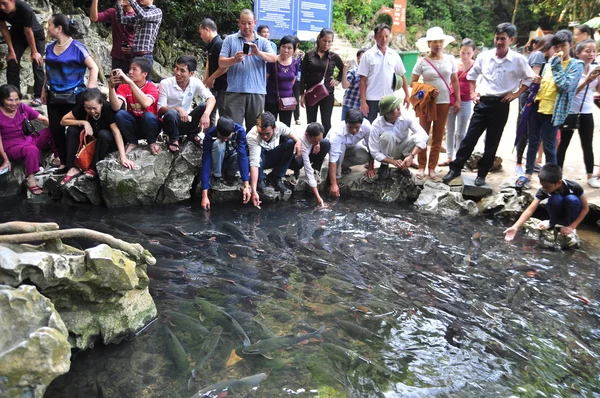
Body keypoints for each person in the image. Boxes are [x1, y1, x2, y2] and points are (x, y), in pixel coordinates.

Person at [442, 23, 535, 187]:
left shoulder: (518, 60)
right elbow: (472, 75)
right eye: (497, 38)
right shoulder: (485, 56)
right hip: (482, 102)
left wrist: (516, 94)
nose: (499, 42)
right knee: (469, 137)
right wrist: (473, 92)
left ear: (511, 40)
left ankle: (482, 174)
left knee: (492, 141)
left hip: (501, 103)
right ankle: (455, 168)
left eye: (503, 39)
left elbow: (529, 78)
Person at [515, 30, 583, 189]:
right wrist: (537, 82)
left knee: (549, 145)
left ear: (571, 45)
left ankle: (553, 180)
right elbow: (545, 85)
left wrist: (557, 64)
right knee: (533, 142)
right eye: (557, 46)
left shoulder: (576, 65)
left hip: (554, 111)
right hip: (537, 107)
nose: (559, 49)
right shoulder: (549, 63)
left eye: (563, 46)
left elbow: (565, 86)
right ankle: (528, 173)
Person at [42, 14, 99, 174]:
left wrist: (90, 90)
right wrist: (43, 90)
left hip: (75, 96)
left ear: (59, 28)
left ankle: (77, 162)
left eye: (50, 25)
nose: (48, 28)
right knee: (55, 128)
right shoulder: (49, 47)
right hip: (53, 95)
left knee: (74, 130)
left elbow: (94, 68)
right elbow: (48, 70)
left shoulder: (77, 48)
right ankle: (64, 162)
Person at [411, 27, 460, 181]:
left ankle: (432, 168)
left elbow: (454, 80)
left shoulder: (450, 60)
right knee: (423, 135)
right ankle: (421, 166)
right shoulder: (422, 62)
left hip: (444, 102)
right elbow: (412, 82)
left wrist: (457, 99)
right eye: (434, 42)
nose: (437, 44)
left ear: (443, 42)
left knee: (438, 136)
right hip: (427, 102)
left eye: (440, 41)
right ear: (429, 43)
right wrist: (428, 89)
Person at [59, 88, 136, 185]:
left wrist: (123, 157)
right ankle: (72, 167)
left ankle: (93, 168)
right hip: (93, 140)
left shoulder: (107, 108)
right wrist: (84, 122)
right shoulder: (83, 108)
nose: (91, 111)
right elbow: (63, 121)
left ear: (101, 103)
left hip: (108, 141)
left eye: (95, 108)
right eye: (88, 108)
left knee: (103, 134)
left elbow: (116, 132)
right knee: (72, 130)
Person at [219, 9, 277, 131]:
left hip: (257, 91)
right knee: (233, 129)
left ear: (255, 23)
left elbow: (273, 58)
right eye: (243, 23)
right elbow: (221, 62)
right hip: (235, 91)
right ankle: (234, 150)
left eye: (249, 23)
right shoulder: (230, 39)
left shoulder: (263, 42)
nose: (246, 26)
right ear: (239, 23)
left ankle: (252, 151)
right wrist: (234, 59)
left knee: (255, 130)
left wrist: (258, 53)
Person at [504, 164, 588, 247]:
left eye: (547, 186)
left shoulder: (574, 187)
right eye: (542, 186)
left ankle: (567, 225)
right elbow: (530, 209)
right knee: (555, 199)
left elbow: (585, 209)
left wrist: (572, 226)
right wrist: (515, 227)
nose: (544, 189)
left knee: (572, 199)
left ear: (558, 183)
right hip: (557, 211)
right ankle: (552, 222)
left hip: (571, 212)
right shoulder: (544, 190)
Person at [557, 40, 600, 187]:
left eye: (594, 51)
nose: (591, 54)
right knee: (563, 144)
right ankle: (558, 176)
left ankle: (590, 176)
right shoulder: (572, 69)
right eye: (587, 51)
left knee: (587, 144)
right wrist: (587, 81)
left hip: (587, 112)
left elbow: (599, 90)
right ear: (578, 53)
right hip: (570, 111)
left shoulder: (596, 69)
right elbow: (569, 93)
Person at [0, 84, 54, 194]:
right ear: (2, 99)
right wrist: (5, 160)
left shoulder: (22, 108)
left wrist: (54, 126)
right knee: (31, 150)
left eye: (17, 99)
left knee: (55, 130)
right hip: (12, 147)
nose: (14, 103)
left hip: (30, 139)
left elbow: (42, 119)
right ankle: (31, 179)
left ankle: (58, 159)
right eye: (10, 100)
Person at [157, 55, 215, 153]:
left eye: (182, 71)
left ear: (191, 73)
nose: (177, 73)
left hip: (186, 120)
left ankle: (192, 134)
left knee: (204, 106)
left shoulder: (195, 82)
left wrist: (206, 115)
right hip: (170, 122)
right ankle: (173, 139)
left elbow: (211, 98)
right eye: (176, 68)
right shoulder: (166, 83)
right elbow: (160, 109)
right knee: (172, 113)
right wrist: (178, 109)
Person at [514, 34, 554, 176]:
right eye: (554, 47)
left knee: (531, 132)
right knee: (525, 129)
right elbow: (535, 78)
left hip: (533, 97)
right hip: (530, 96)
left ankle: (528, 163)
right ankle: (519, 163)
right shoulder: (538, 56)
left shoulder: (540, 56)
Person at [247, 112, 302, 206]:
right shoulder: (252, 137)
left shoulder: (279, 126)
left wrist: (298, 142)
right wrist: (254, 190)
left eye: (267, 134)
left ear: (274, 128)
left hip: (272, 155)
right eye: (261, 133)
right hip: (260, 159)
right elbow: (254, 164)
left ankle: (276, 176)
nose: (264, 137)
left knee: (291, 143)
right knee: (255, 155)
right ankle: (260, 180)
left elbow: (290, 132)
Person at [108, 56, 161, 155]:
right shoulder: (124, 86)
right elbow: (116, 107)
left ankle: (152, 142)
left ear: (144, 74)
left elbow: (146, 103)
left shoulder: (151, 87)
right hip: (135, 124)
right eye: (130, 69)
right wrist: (111, 87)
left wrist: (130, 82)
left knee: (148, 116)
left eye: (134, 70)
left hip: (150, 126)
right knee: (120, 114)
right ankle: (132, 141)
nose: (130, 72)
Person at [358, 24, 410, 123]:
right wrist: (363, 102)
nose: (384, 39)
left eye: (386, 36)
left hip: (389, 99)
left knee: (389, 126)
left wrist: (407, 95)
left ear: (390, 37)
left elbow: (402, 76)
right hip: (371, 99)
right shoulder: (367, 55)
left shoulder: (394, 54)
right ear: (375, 37)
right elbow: (362, 80)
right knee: (370, 128)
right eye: (380, 36)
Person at [368, 94, 428, 179]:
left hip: (403, 150)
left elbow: (424, 135)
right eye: (394, 108)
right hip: (387, 153)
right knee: (388, 135)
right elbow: (374, 151)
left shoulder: (406, 117)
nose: (399, 109)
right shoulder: (377, 125)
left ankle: (404, 164)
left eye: (398, 106)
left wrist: (412, 156)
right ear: (386, 113)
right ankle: (384, 166)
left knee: (416, 138)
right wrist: (392, 161)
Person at [301, 28, 346, 136]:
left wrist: (337, 80)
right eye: (324, 40)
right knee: (311, 122)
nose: (326, 44)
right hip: (311, 93)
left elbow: (343, 68)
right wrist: (302, 94)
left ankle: (325, 145)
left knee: (326, 122)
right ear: (319, 39)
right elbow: (303, 74)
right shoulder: (309, 54)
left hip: (327, 94)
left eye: (329, 41)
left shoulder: (333, 57)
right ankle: (311, 146)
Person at [0, 0, 45, 107]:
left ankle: (38, 95)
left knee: (37, 62)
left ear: (13, 1)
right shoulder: (1, 10)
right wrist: (11, 51)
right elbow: (4, 28)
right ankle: (14, 96)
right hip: (17, 35)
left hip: (35, 35)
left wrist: (34, 52)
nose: (1, 7)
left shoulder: (25, 9)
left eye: (4, 3)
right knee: (12, 62)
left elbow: (28, 31)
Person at [200, 116, 250, 210]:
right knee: (219, 144)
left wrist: (246, 185)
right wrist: (204, 196)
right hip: (217, 160)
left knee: (243, 153)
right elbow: (206, 161)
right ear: (217, 131)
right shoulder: (210, 134)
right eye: (222, 137)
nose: (225, 139)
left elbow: (242, 156)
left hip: (231, 158)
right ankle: (217, 177)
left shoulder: (240, 131)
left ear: (232, 131)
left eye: (228, 138)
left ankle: (231, 175)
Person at [442, 38, 476, 166]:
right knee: (449, 130)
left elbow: (477, 83)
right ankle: (449, 156)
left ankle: (458, 158)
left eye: (468, 53)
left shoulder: (476, 65)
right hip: (451, 99)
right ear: (459, 51)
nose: (465, 56)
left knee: (461, 132)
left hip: (466, 100)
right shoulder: (454, 63)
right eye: (463, 53)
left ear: (473, 52)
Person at [327, 108, 371, 198]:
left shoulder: (367, 127)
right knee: (340, 151)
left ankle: (342, 166)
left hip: (351, 148)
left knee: (363, 156)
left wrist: (371, 167)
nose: (354, 130)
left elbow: (372, 147)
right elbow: (333, 159)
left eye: (357, 127)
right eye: (350, 127)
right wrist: (333, 183)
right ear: (346, 123)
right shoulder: (337, 133)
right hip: (336, 148)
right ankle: (337, 175)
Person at [289, 122, 330, 206]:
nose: (317, 142)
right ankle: (296, 172)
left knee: (325, 143)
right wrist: (318, 198)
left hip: (310, 150)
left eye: (319, 139)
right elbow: (308, 171)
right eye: (315, 140)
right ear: (307, 135)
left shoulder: (311, 128)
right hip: (298, 154)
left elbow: (318, 139)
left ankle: (316, 169)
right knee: (298, 161)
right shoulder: (301, 140)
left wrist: (317, 143)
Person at [199, 18, 228, 128]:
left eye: (201, 33)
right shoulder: (210, 45)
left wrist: (212, 78)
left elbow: (225, 66)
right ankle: (209, 136)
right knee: (210, 112)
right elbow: (209, 63)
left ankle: (224, 137)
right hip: (213, 86)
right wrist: (206, 78)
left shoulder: (219, 44)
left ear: (207, 29)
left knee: (223, 114)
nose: (201, 36)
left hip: (222, 85)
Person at [90, 0, 134, 71]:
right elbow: (94, 18)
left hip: (133, 58)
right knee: (116, 80)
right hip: (117, 57)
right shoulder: (113, 12)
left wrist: (133, 49)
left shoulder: (139, 16)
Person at [265, 35, 300, 127]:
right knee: (270, 127)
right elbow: (265, 79)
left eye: (289, 48)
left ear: (293, 50)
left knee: (285, 128)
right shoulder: (272, 61)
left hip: (287, 102)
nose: (286, 50)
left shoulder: (295, 63)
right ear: (279, 47)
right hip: (271, 100)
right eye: (283, 47)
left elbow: (293, 80)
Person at [116, 0, 162, 64]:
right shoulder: (139, 12)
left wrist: (132, 1)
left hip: (145, 56)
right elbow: (121, 20)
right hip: (134, 55)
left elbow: (144, 16)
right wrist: (119, 3)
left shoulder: (157, 11)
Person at [341, 48, 366, 121]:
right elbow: (345, 86)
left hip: (363, 107)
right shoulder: (354, 72)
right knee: (345, 127)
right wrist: (345, 71)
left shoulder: (371, 73)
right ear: (357, 60)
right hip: (350, 105)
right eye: (361, 59)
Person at [292, 38, 303, 125]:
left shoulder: (301, 54)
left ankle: (297, 117)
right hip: (288, 76)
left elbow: (304, 66)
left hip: (298, 78)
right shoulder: (288, 51)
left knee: (296, 98)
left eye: (296, 43)